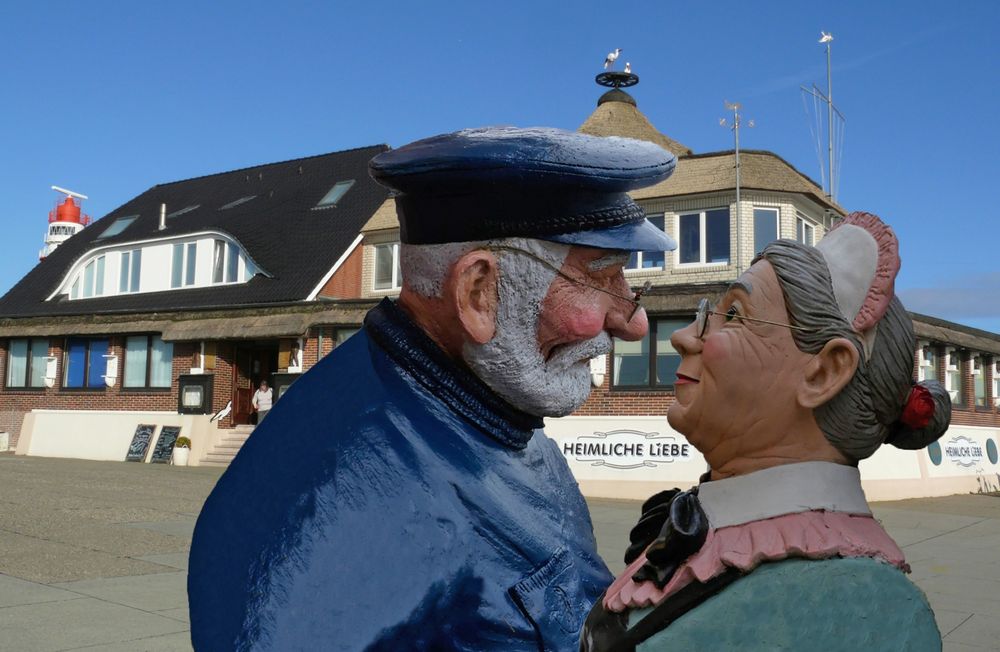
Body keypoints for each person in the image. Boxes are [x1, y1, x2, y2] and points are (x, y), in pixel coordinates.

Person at [188, 126, 679, 651]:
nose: (634, 323)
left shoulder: (496, 417)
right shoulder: (347, 499)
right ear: (478, 292)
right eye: (602, 279)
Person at [582, 212, 950, 651]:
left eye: (734, 314)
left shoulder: (863, 605)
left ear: (824, 372)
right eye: (708, 314)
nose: (682, 336)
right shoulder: (722, 535)